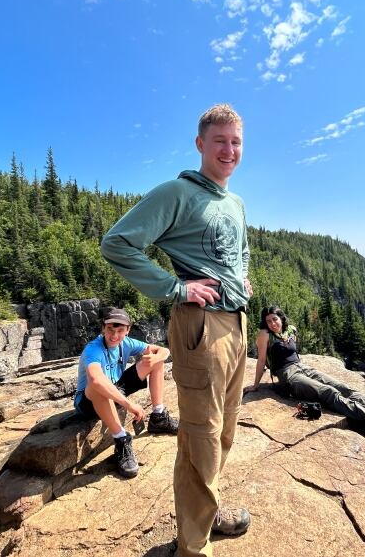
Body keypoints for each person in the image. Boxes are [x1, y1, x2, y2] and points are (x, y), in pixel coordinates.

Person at [101, 104, 251, 557]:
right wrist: (176, 287)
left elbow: (238, 253)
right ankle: (193, 546)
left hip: (237, 323)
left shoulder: (235, 202)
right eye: (220, 140)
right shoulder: (178, 192)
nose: (229, 150)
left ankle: (206, 511)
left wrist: (243, 278)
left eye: (236, 141)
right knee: (201, 435)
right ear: (200, 144)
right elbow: (117, 243)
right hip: (200, 327)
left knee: (224, 431)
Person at [244, 305, 365, 438]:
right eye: (268, 321)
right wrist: (256, 385)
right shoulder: (264, 335)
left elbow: (294, 352)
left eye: (275, 319)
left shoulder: (291, 330)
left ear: (281, 318)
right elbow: (261, 360)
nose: (272, 323)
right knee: (328, 392)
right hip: (288, 376)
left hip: (302, 367)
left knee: (342, 387)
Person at [75, 307, 179, 478]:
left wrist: (158, 357)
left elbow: (163, 350)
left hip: (116, 387)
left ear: (128, 330)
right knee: (98, 385)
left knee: (154, 359)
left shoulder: (127, 343)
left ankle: (158, 417)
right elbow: (96, 380)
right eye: (110, 329)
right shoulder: (93, 349)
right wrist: (129, 405)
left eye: (120, 330)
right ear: (103, 328)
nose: (115, 335)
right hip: (88, 401)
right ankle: (121, 439)